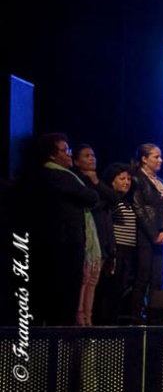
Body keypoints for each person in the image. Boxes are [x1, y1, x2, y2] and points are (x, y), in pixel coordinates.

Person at [32, 133, 98, 325]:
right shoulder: (56, 175)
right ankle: (61, 336)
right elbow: (91, 197)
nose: (69, 154)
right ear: (52, 155)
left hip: (64, 240)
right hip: (65, 242)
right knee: (65, 293)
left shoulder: (60, 175)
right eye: (64, 150)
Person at [71, 144, 116, 326]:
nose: (92, 158)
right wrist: (100, 200)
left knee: (93, 280)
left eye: (93, 155)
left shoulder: (97, 181)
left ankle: (88, 318)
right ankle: (79, 316)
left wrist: (97, 182)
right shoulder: (76, 180)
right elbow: (93, 204)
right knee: (83, 279)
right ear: (76, 161)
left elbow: (114, 198)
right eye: (86, 156)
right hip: (86, 236)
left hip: (101, 238)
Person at [130, 143, 163, 324]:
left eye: (160, 156)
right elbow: (139, 209)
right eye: (156, 157)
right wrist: (154, 234)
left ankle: (155, 316)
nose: (160, 160)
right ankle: (136, 316)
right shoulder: (137, 180)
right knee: (142, 276)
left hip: (160, 236)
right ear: (144, 159)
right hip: (145, 236)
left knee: (157, 277)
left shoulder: (160, 182)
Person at [96, 163, 137, 325]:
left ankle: (114, 320)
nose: (126, 182)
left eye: (128, 179)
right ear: (112, 181)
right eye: (122, 179)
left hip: (128, 250)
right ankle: (105, 322)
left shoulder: (128, 201)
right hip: (115, 249)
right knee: (110, 287)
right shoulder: (110, 201)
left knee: (121, 287)